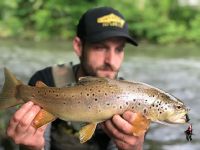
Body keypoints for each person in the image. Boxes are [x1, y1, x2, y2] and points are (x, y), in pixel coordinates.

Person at [6, 7, 146, 150]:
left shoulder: (131, 98)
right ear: (78, 46)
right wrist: (31, 148)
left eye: (119, 49)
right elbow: (41, 143)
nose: (111, 60)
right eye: (100, 47)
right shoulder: (50, 80)